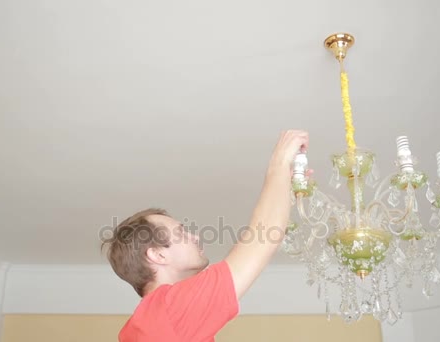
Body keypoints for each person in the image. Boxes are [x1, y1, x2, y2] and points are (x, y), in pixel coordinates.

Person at [101, 130, 309, 341]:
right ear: (158, 255)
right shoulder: (169, 310)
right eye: (181, 232)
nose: (195, 237)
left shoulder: (155, 323)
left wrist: (281, 188)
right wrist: (279, 163)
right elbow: (262, 238)